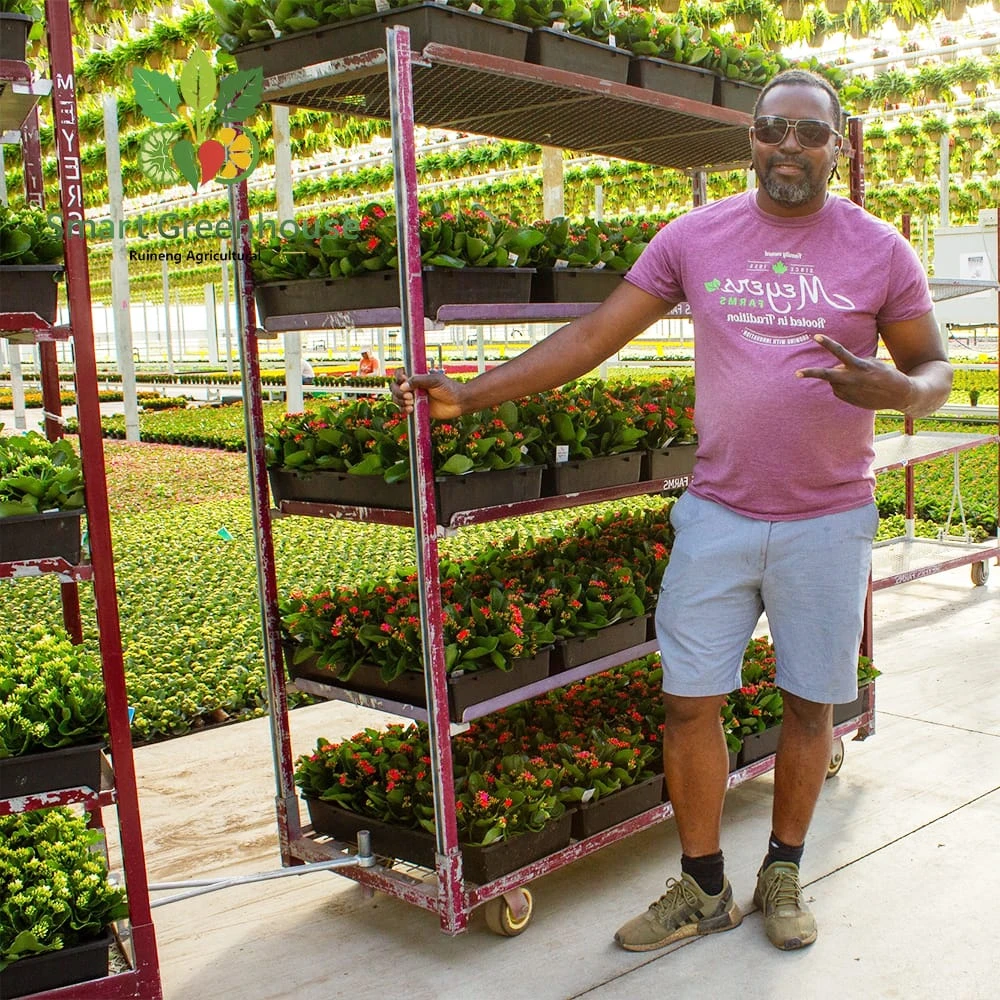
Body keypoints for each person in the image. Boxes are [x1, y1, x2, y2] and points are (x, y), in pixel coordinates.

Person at [391, 70, 951, 953]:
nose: (790, 146)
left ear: (838, 146)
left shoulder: (880, 250)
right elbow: (591, 335)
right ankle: (702, 886)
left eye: (811, 132)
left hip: (828, 517)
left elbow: (935, 371)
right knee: (689, 703)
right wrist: (472, 395)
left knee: (809, 706)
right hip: (719, 513)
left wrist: (899, 390)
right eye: (774, 129)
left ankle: (784, 871)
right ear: (752, 139)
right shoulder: (697, 237)